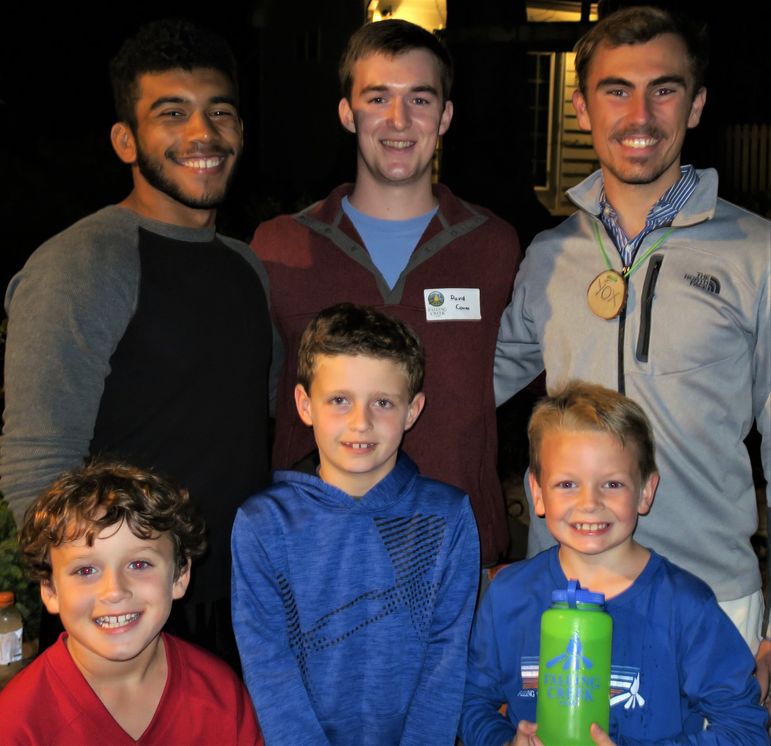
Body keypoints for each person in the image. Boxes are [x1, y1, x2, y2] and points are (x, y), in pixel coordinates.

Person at [494, 5, 771, 685]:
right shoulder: (548, 257)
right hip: (568, 592)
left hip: (709, 592)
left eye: (664, 89)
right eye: (615, 90)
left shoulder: (757, 252)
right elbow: (466, 389)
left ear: (696, 104)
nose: (639, 114)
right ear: (581, 107)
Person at [0, 19, 276, 666]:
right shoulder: (83, 263)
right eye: (171, 114)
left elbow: (250, 427)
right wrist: (92, 604)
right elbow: (37, 464)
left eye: (220, 113)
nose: (202, 134)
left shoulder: (246, 267)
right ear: (126, 140)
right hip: (124, 617)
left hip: (238, 605)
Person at [250, 19, 521, 574]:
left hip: (459, 563)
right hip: (317, 563)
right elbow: (261, 395)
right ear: (348, 112)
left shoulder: (494, 247)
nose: (399, 121)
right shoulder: (280, 247)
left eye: (420, 99)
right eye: (378, 98)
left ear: (445, 116)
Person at [459, 381, 768, 744]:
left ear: (645, 491)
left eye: (612, 485)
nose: (590, 503)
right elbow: (470, 701)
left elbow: (744, 728)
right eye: (567, 484)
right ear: (537, 493)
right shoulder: (509, 596)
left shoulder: (686, 606)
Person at [232, 303, 479, 745]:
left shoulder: (448, 516)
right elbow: (267, 665)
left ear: (412, 410)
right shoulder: (263, 523)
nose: (360, 422)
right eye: (339, 400)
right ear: (305, 405)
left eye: (382, 402)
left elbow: (446, 659)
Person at [0, 461, 263, 744]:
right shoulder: (17, 722)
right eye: (85, 570)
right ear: (50, 590)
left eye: (139, 564)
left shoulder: (221, 695)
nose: (114, 591)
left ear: (180, 575)